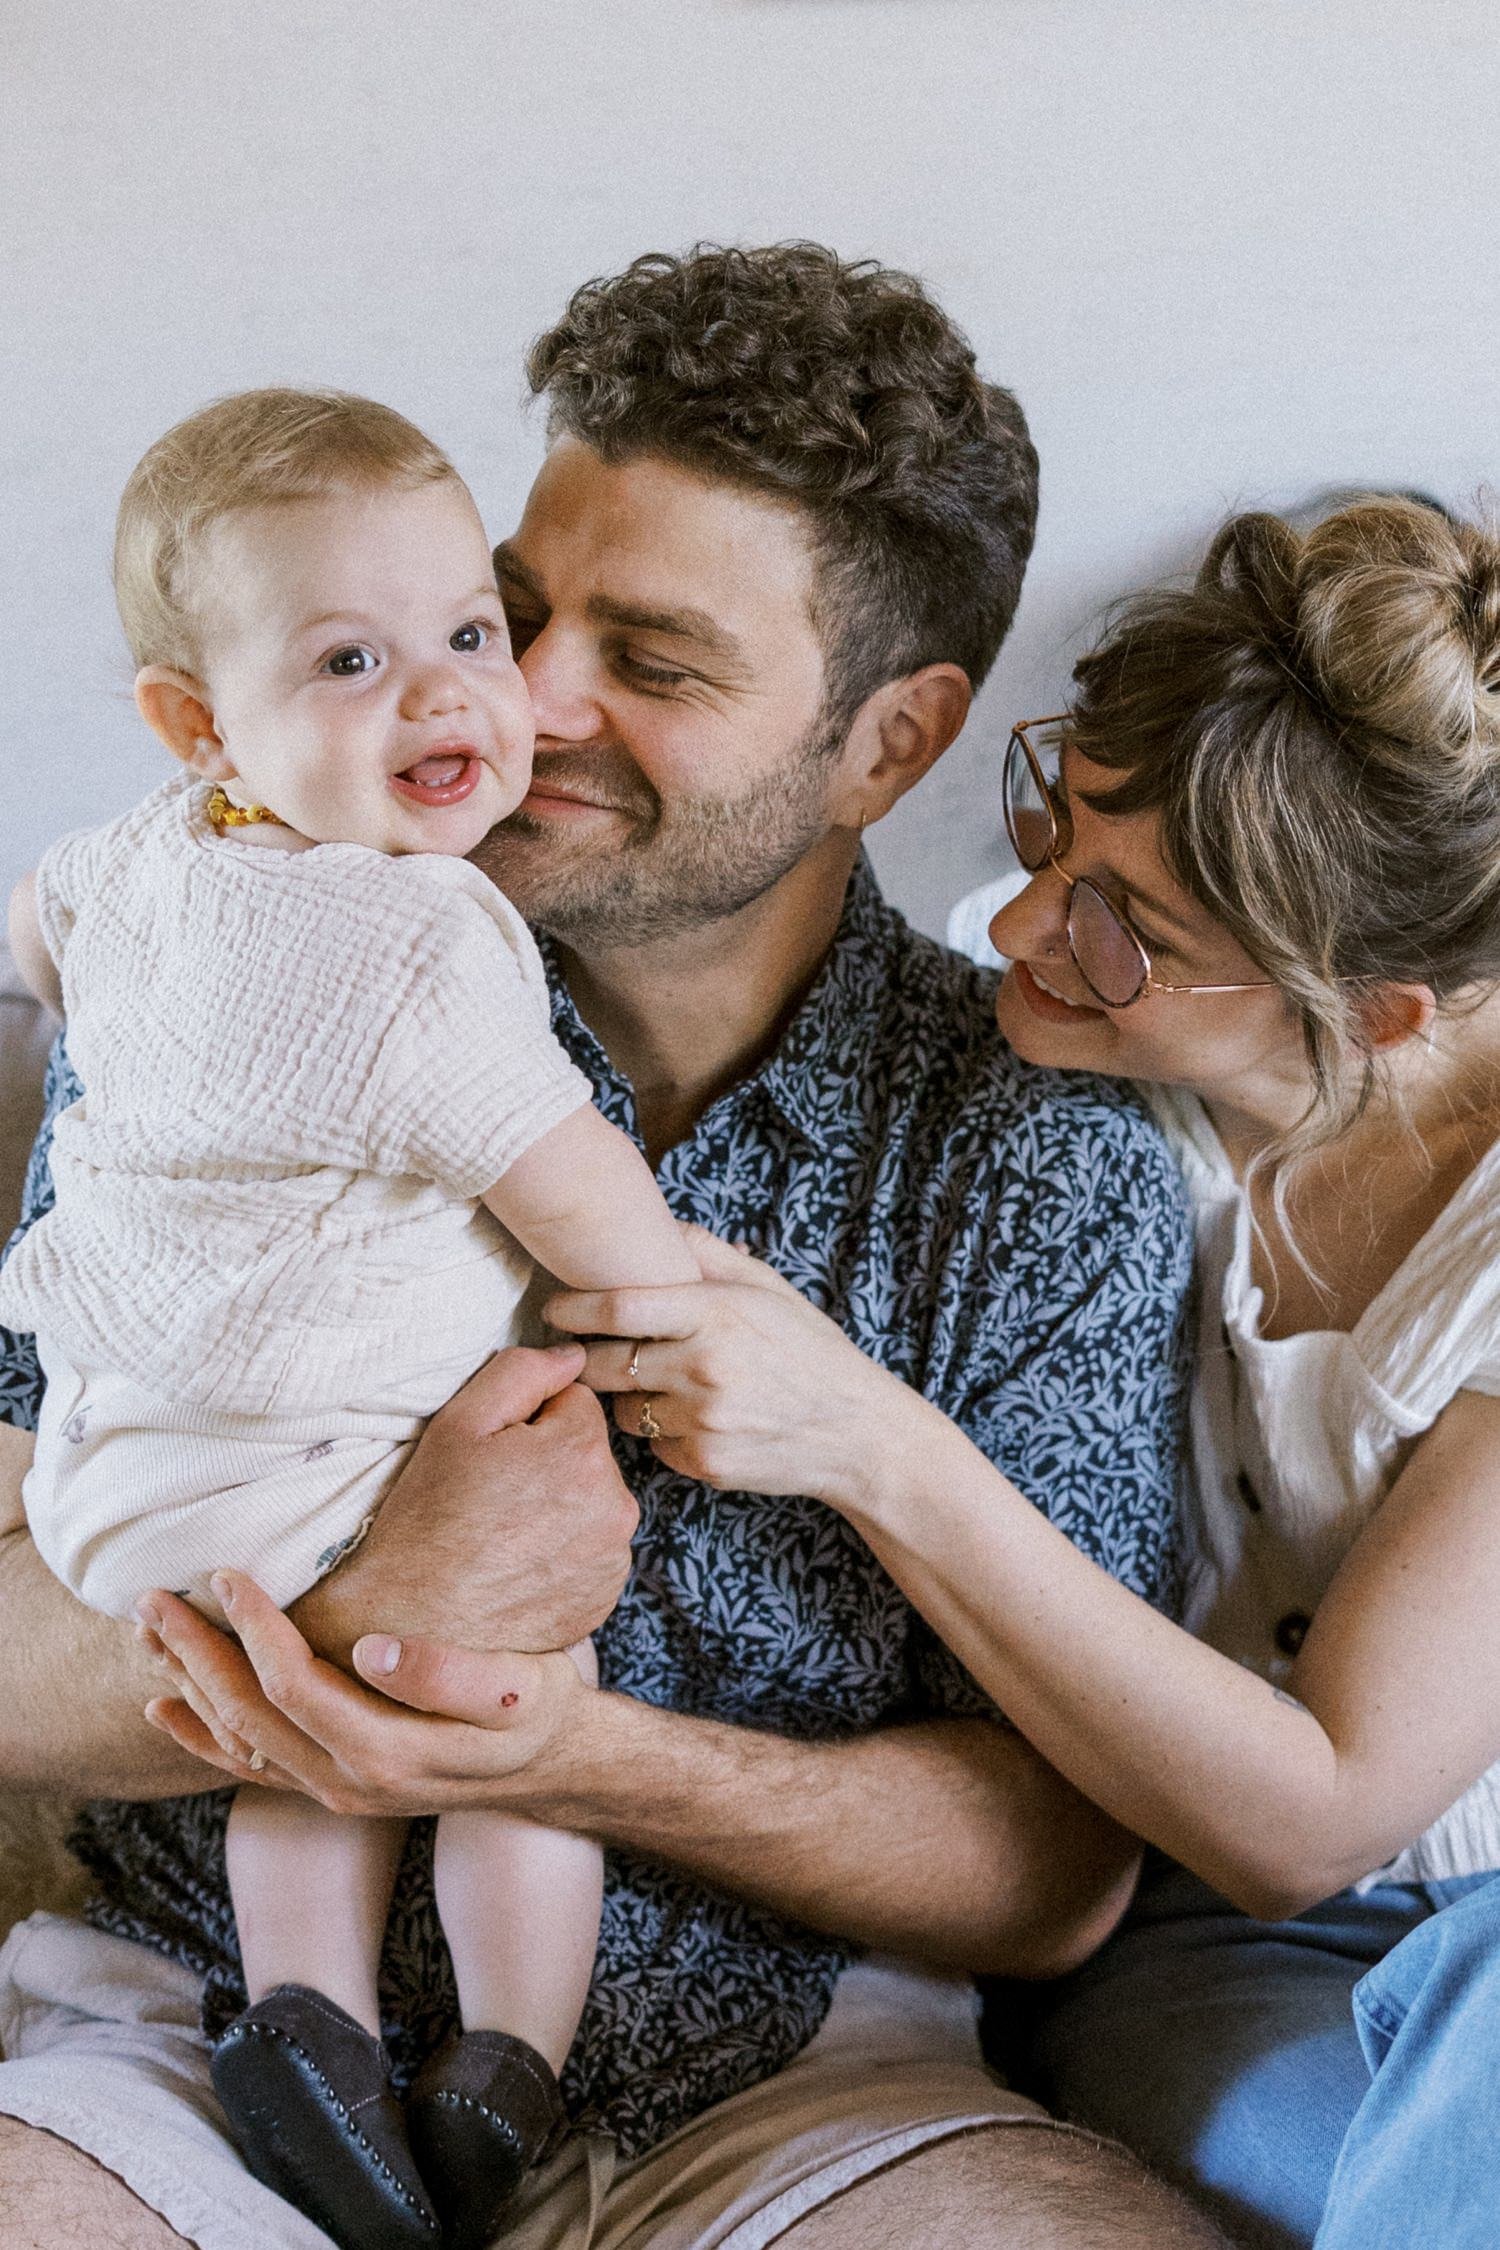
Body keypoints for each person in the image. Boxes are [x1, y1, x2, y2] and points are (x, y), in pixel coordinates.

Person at [0, 246, 1224, 2249]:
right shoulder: (231, 955)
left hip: (795, 2085)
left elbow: (1051, 1864)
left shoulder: (1033, 1155)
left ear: (889, 746)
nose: (523, 698)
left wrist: (582, 1756)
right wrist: (352, 1603)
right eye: (518, 604)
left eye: (649, 659)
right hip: (187, 2045)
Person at [316, 488, 1498, 2250]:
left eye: (1124, 932)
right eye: (1056, 830)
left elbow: (1317, 1808)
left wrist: (872, 1438)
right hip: (1223, 1943)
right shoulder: (1076, 1078)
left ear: (1382, 1012)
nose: (1019, 927)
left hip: (1401, 1886)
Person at [0, 384, 705, 2250]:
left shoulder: (142, 860)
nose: (454, 696)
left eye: (467, 633)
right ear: (193, 716)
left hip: (113, 1483)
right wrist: (659, 1310)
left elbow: (36, 927)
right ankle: (500, 2060)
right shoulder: (412, 954)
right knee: (512, 1724)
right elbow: (582, 1195)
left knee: (303, 1757)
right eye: (352, 658)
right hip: (315, 1472)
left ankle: (303, 2019)